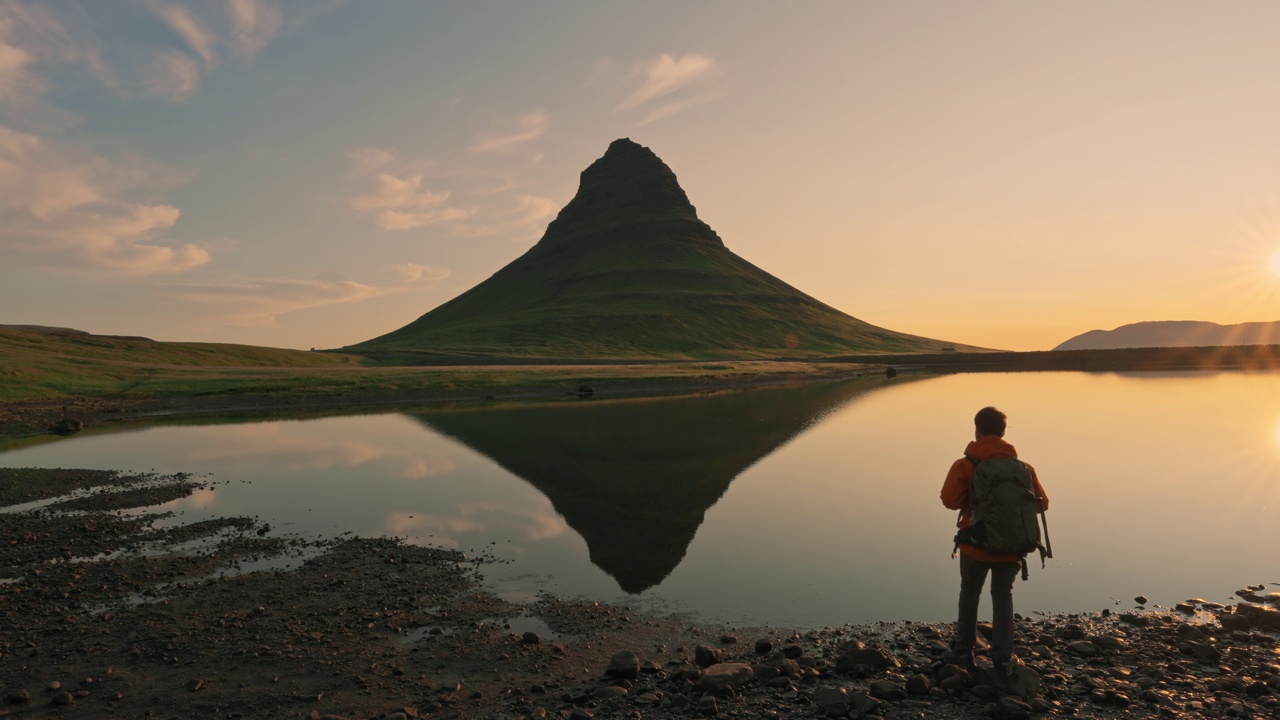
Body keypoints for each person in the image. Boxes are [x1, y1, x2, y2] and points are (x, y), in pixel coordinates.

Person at [940, 406, 1048, 672]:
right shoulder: (1023, 468)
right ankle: (1002, 657)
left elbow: (949, 501)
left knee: (970, 594)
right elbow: (1042, 503)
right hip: (1012, 548)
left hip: (975, 546)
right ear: (1003, 433)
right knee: (1003, 595)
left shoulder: (965, 465)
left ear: (977, 430)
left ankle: (964, 653)